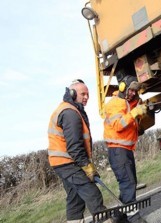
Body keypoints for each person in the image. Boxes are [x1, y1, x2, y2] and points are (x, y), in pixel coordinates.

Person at [47, 79, 107, 223]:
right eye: (83, 94)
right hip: (68, 162)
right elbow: (74, 146)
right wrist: (87, 166)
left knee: (75, 198)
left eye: (88, 94)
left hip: (62, 162)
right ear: (72, 93)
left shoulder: (69, 109)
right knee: (92, 193)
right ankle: (105, 220)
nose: (86, 97)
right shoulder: (70, 112)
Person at [103, 75, 147, 207]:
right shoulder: (114, 103)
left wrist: (139, 121)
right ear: (123, 88)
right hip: (118, 151)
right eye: (131, 90)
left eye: (135, 91)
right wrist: (134, 113)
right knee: (128, 183)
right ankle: (134, 217)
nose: (133, 93)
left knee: (129, 182)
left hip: (124, 150)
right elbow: (118, 125)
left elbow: (132, 117)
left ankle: (119, 216)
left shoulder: (127, 103)